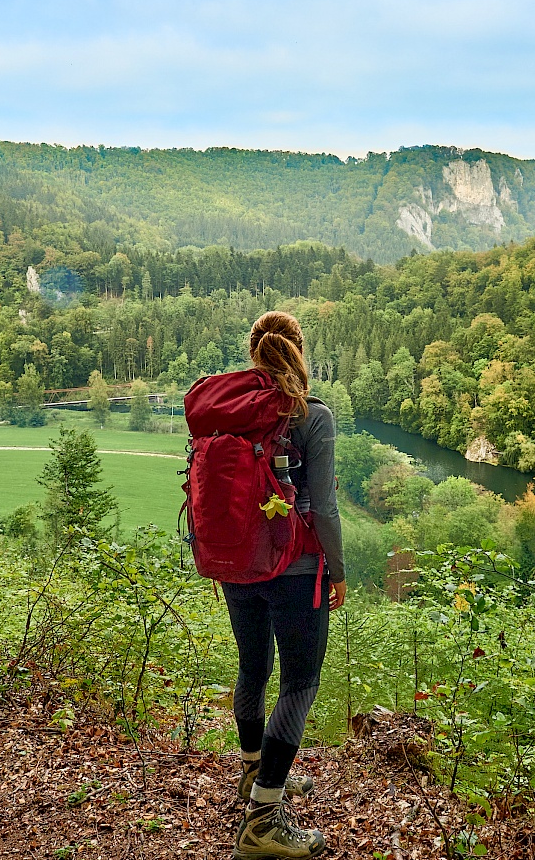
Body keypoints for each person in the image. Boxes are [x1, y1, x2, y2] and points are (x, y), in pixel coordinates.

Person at [226, 311, 345, 860]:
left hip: (236, 563)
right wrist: (339, 570)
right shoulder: (311, 417)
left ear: (255, 353)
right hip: (295, 571)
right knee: (301, 682)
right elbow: (323, 506)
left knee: (253, 667)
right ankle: (263, 822)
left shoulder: (231, 412)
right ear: (298, 352)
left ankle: (257, 775)